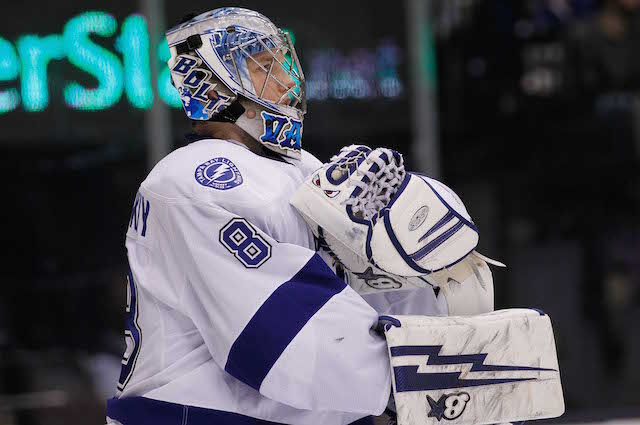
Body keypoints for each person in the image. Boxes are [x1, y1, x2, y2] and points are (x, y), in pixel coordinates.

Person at [106, 7, 450, 425]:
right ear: (212, 84)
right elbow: (275, 339)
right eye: (265, 68)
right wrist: (421, 378)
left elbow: (363, 301)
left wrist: (412, 273)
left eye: (284, 65)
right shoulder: (194, 181)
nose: (287, 82)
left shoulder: (305, 169)